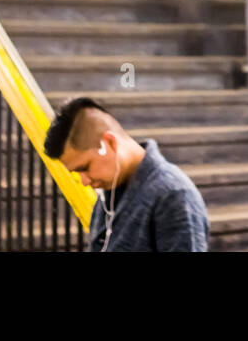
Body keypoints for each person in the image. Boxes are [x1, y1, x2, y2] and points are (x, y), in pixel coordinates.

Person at [44, 97, 207, 252]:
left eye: (85, 167)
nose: (84, 181)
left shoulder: (173, 195)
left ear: (109, 143)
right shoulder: (108, 196)